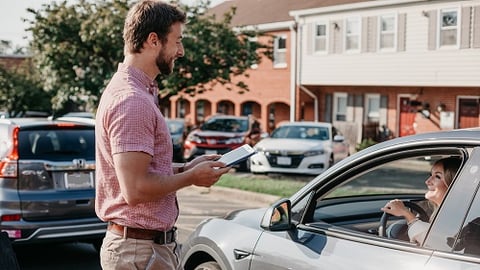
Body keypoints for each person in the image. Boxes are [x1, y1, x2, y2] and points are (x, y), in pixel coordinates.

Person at [95, 1, 231, 269]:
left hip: (144, 249)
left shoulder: (138, 91)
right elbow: (135, 188)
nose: (180, 51)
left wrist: (184, 167)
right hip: (137, 251)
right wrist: (191, 178)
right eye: (177, 40)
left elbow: (143, 169)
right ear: (153, 40)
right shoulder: (131, 101)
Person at [381, 156, 462, 244]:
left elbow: (437, 243)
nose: (427, 181)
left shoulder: (459, 218)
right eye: (431, 175)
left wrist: (407, 214)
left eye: (437, 177)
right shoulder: (443, 213)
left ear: (454, 184)